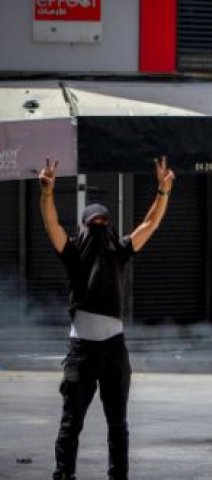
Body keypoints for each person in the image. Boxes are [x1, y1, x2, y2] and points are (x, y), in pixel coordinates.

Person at [40, 156, 175, 480]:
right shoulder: (73, 252)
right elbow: (52, 225)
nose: (99, 228)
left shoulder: (120, 250)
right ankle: (64, 475)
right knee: (71, 422)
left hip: (114, 347)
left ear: (110, 227)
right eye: (94, 224)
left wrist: (163, 191)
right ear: (83, 227)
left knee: (118, 424)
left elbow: (150, 224)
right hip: (81, 350)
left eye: (104, 223)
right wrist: (47, 193)